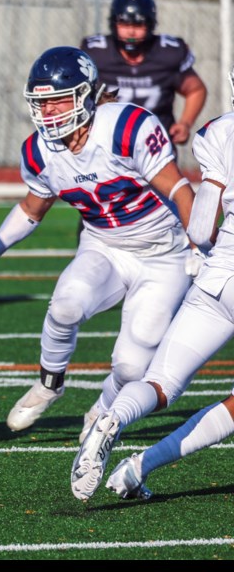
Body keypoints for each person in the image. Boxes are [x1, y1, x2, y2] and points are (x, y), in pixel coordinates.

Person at [0, 46, 200, 444]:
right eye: (41, 103)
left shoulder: (126, 126)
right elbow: (32, 209)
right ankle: (49, 385)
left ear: (86, 95)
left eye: (57, 101)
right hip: (104, 245)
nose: (48, 112)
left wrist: (196, 245)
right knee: (67, 302)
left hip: (164, 255)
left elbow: (177, 188)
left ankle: (102, 411)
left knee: (132, 365)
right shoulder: (38, 152)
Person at [70, 66, 234, 502]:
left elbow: (200, 226)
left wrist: (211, 251)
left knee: (161, 382)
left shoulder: (220, 132)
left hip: (218, 276)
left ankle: (113, 420)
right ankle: (141, 464)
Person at [81, 0, 207, 149]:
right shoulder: (97, 53)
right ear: (114, 23)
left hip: (156, 147)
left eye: (138, 24)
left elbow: (195, 90)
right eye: (125, 24)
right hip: (107, 145)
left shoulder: (167, 53)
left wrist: (185, 123)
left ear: (150, 24)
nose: (131, 31)